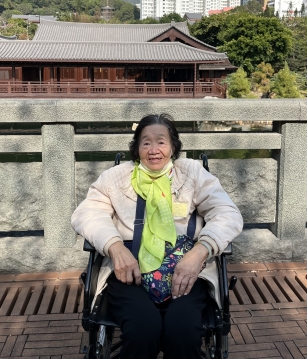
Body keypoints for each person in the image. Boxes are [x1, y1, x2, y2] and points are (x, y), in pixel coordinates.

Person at [71, 113, 243, 359]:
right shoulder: (115, 177)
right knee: (143, 330)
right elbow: (87, 213)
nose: (154, 150)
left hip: (186, 271)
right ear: (137, 148)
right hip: (129, 271)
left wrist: (200, 251)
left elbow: (227, 213)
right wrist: (114, 247)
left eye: (161, 142)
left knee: (183, 331)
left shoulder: (192, 174)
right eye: (146, 142)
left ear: (173, 146)